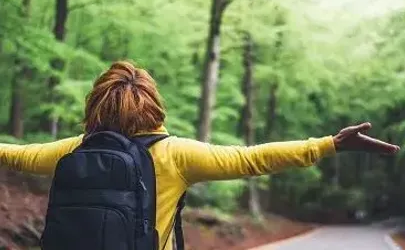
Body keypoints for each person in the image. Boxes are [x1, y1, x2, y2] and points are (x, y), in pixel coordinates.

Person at [0, 61, 400, 250]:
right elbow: (252, 159)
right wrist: (330, 144)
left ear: (97, 106)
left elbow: (15, 156)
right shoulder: (175, 154)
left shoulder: (74, 150)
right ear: (153, 104)